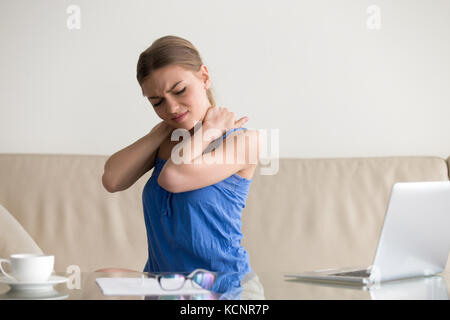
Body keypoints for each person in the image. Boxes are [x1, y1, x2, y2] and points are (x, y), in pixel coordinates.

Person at [98, 35, 260, 288]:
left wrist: (209, 131)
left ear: (204, 77)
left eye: (179, 91)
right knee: (101, 280)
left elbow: (173, 177)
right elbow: (112, 179)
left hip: (224, 290)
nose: (172, 108)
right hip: (166, 290)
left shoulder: (243, 142)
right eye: (157, 102)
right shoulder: (164, 138)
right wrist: (163, 129)